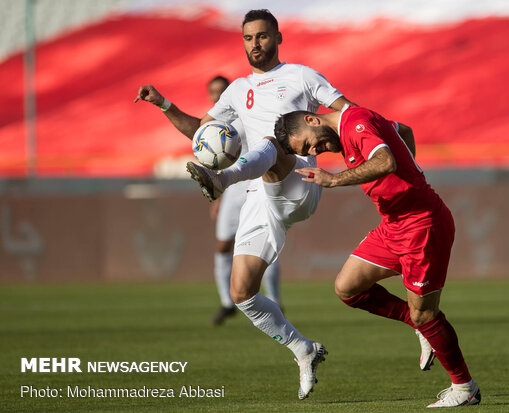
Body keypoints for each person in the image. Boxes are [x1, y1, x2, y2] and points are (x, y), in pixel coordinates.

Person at [135, 9, 357, 399]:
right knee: (242, 293)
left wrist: (359, 145)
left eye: (262, 36)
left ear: (278, 38)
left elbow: (348, 113)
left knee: (274, 143)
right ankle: (303, 350)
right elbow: (202, 133)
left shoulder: (303, 76)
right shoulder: (237, 90)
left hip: (300, 181)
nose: (255, 44)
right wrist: (164, 104)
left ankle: (221, 180)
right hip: (261, 195)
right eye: (248, 38)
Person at [272, 105, 481, 408]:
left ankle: (465, 387)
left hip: (421, 225)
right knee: (347, 287)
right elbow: (404, 132)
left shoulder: (356, 122)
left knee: (426, 314)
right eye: (308, 151)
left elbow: (385, 161)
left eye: (309, 143)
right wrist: (409, 173)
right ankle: (420, 326)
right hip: (393, 225)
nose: (315, 150)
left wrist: (333, 179)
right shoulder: (349, 131)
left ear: (311, 120)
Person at [205, 75, 281, 326]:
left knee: (264, 246)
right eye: (213, 92)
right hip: (231, 191)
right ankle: (227, 303)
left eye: (221, 91)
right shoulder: (215, 124)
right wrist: (219, 197)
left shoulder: (244, 116)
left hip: (255, 185)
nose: (217, 96)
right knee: (223, 246)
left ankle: (275, 300)